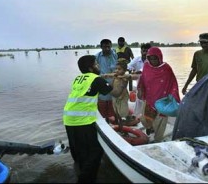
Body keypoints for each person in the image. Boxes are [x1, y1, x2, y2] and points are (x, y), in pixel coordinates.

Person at [63, 55, 126, 183]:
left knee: (79, 152)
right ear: (90, 68)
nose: (99, 66)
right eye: (96, 64)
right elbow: (115, 93)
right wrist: (123, 80)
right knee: (95, 152)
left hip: (68, 118)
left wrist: (105, 78)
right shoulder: (96, 79)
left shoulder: (78, 78)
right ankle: (85, 180)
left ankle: (80, 171)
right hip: (82, 121)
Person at [137, 47, 180, 142]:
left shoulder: (166, 68)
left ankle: (157, 140)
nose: (153, 61)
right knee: (145, 119)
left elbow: (173, 83)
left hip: (163, 100)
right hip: (149, 98)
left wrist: (173, 95)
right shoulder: (146, 66)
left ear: (160, 57)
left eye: (155, 58)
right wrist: (140, 90)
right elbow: (142, 79)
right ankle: (150, 127)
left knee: (160, 123)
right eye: (150, 58)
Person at [95, 39, 118, 120]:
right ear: (101, 47)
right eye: (105, 47)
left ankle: (116, 123)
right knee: (103, 104)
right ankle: (105, 122)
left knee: (114, 105)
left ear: (111, 46)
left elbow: (119, 67)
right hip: (103, 84)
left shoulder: (115, 55)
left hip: (115, 84)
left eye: (108, 46)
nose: (107, 49)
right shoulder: (97, 57)